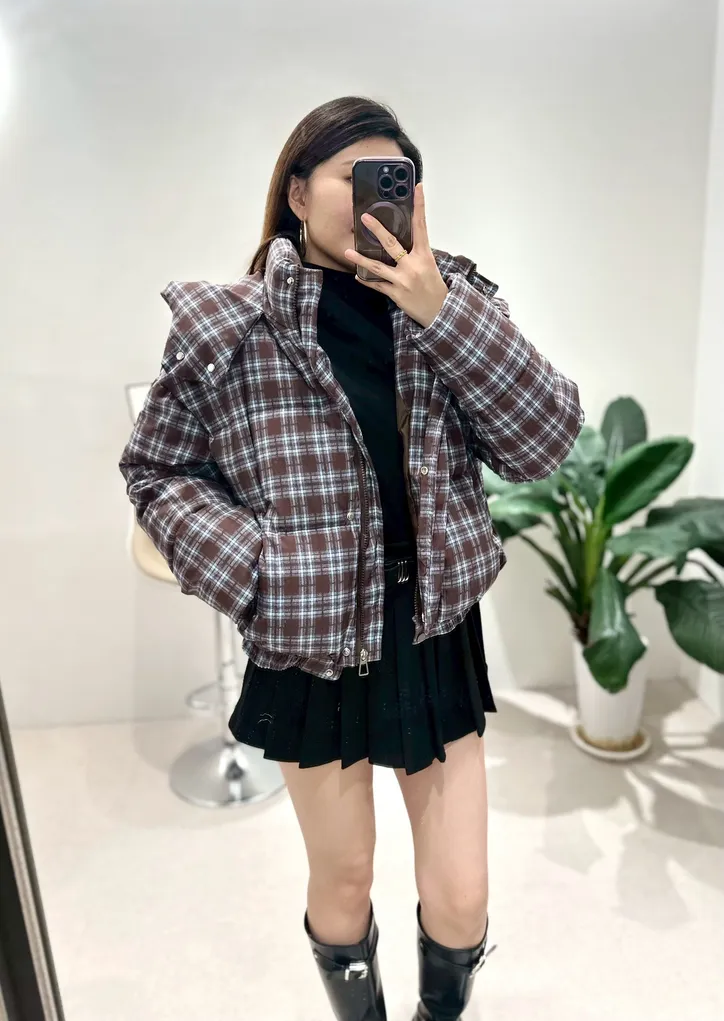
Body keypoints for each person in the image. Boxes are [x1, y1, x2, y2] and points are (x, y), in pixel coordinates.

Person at [119, 96, 584, 1021]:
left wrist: (442, 311)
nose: (380, 195)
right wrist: (260, 571)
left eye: (398, 179)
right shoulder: (229, 324)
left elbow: (546, 442)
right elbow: (158, 470)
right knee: (344, 876)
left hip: (430, 624)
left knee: (462, 895)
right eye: (354, 175)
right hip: (312, 633)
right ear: (298, 194)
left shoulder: (455, 305)